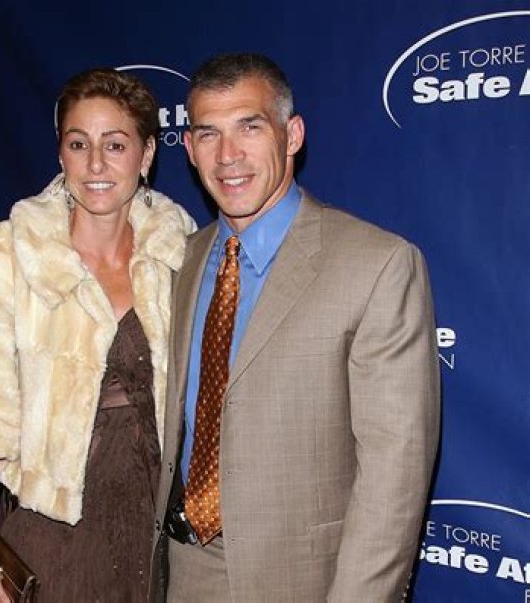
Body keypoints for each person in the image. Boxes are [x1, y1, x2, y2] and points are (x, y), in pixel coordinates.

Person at [150, 53, 440, 601]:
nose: (228, 155)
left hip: (308, 582)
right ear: (187, 147)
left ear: (293, 135)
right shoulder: (179, 261)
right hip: (183, 571)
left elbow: (395, 476)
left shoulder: (376, 265)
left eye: (250, 127)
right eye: (208, 134)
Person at [0, 68, 195, 602]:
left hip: (158, 531)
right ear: (61, 154)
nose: (96, 164)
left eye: (115, 145)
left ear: (147, 154)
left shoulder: (178, 248)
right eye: (79, 144)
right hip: (54, 532)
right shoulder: (13, 251)